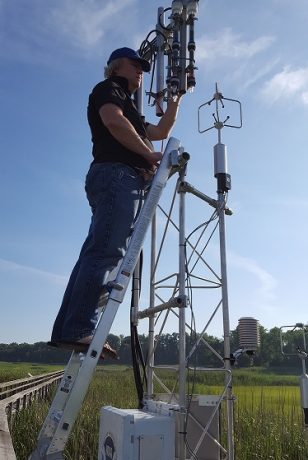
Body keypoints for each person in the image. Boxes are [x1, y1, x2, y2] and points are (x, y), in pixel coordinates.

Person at [50, 47, 182, 359]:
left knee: (95, 253)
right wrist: (149, 155)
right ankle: (80, 327)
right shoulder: (108, 90)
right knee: (107, 252)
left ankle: (70, 329)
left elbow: (161, 131)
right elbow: (113, 121)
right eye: (136, 66)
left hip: (117, 179)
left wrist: (176, 102)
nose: (141, 72)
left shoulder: (130, 107)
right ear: (116, 66)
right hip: (117, 176)